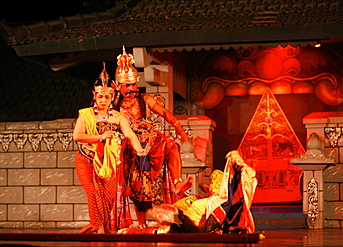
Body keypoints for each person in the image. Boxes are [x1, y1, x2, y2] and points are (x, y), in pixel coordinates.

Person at [112, 46, 193, 229]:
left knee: (172, 144)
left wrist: (179, 128)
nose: (132, 88)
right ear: (118, 86)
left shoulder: (145, 99)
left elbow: (165, 113)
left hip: (151, 140)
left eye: (134, 84)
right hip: (130, 147)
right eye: (127, 85)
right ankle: (141, 226)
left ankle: (178, 182)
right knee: (140, 187)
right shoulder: (114, 105)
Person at [73, 63, 147, 234]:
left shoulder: (118, 117)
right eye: (100, 97)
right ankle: (99, 229)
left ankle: (100, 227)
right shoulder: (86, 114)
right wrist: (99, 137)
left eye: (107, 97)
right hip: (87, 159)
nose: (103, 100)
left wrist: (139, 150)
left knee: (110, 196)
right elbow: (77, 136)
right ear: (95, 96)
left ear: (112, 97)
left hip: (109, 161)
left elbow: (130, 135)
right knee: (94, 195)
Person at [148, 150, 258, 234]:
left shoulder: (216, 202)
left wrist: (236, 167)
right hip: (195, 219)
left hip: (203, 220)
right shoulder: (199, 202)